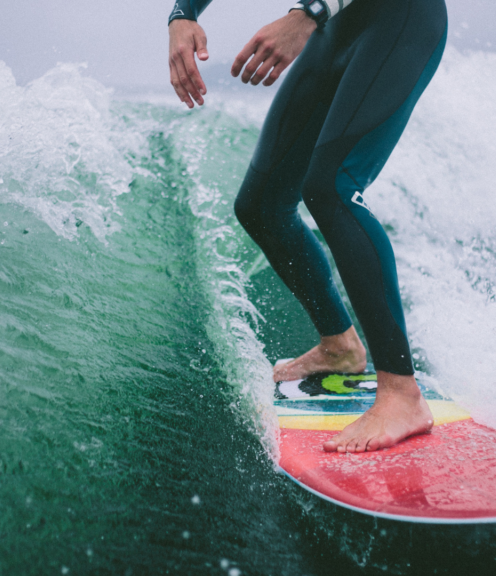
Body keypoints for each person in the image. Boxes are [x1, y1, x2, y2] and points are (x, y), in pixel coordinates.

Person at [168, 0, 447, 453]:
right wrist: (182, 15)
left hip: (401, 19)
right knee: (261, 205)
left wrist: (307, 15)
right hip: (336, 29)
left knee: (333, 187)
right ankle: (340, 345)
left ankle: (401, 394)